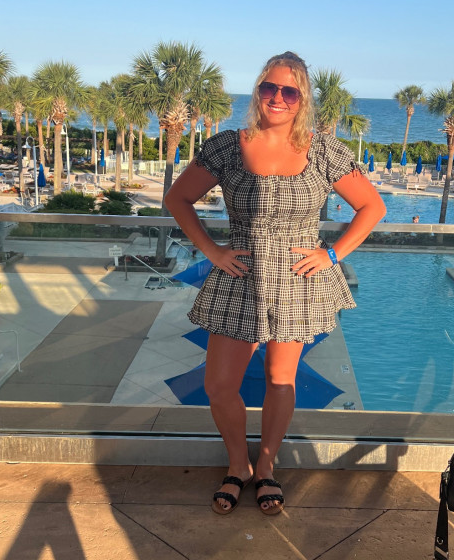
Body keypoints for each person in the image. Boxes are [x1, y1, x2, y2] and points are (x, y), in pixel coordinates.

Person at [165, 52, 386, 516]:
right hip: (240, 275)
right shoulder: (228, 146)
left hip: (296, 280)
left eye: (290, 91)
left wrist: (331, 255)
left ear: (303, 99)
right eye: (270, 87)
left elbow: (372, 207)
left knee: (280, 379)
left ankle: (265, 466)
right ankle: (237, 464)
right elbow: (177, 198)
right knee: (219, 384)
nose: (278, 98)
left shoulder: (323, 151)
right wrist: (212, 251)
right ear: (258, 91)